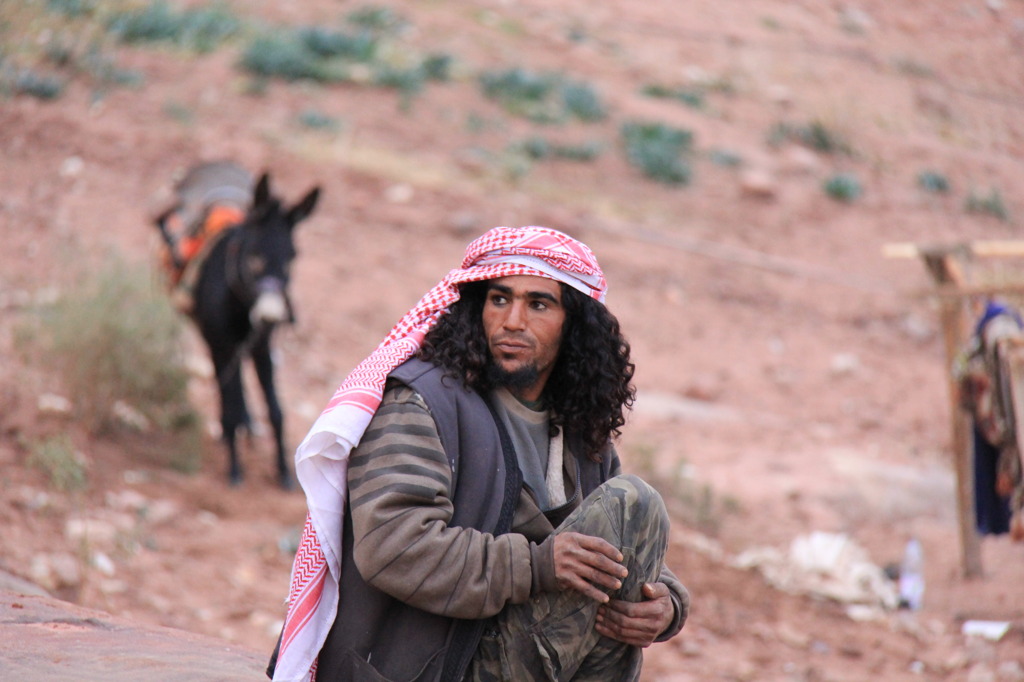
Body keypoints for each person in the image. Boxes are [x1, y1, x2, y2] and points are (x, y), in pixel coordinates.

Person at [268, 226, 689, 682]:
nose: (512, 321)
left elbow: (615, 541)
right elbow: (393, 547)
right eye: (499, 299)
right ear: (476, 309)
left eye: (539, 304)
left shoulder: (578, 430)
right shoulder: (424, 403)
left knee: (634, 508)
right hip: (430, 666)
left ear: (574, 328)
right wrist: (538, 565)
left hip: (516, 651)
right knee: (637, 500)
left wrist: (664, 605)